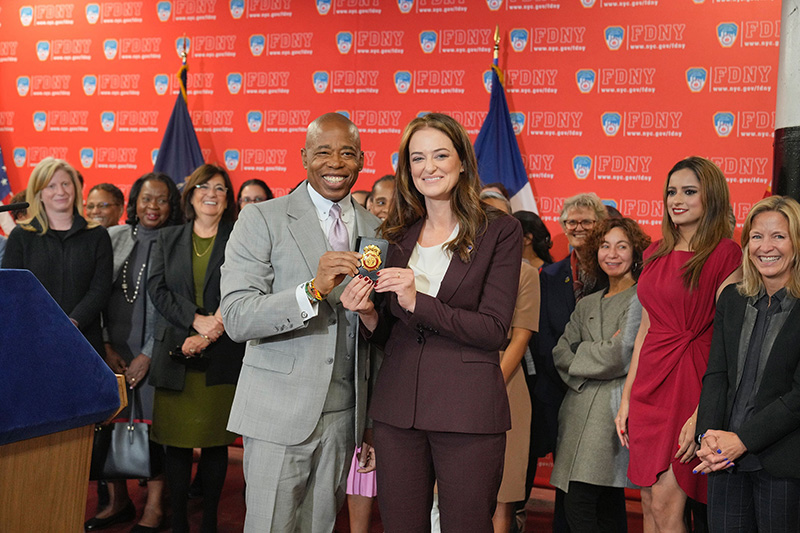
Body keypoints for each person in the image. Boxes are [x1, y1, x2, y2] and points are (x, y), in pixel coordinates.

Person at [341, 112, 522, 532]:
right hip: (397, 410)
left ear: (462, 162)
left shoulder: (500, 231)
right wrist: (368, 313)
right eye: (418, 158)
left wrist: (416, 299)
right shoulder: (395, 235)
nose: (429, 167)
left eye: (441, 155)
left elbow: (493, 329)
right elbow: (389, 333)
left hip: (467, 411)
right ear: (407, 169)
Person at [220, 112, 380, 532]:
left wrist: (372, 422)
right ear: (304, 157)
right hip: (277, 412)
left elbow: (379, 337)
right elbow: (237, 317)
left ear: (362, 160)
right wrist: (311, 290)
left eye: (347, 153)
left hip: (345, 416)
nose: (336, 163)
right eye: (323, 152)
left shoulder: (378, 230)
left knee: (320, 527)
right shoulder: (262, 219)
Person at [615, 156, 742, 532]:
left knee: (670, 504)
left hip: (691, 381)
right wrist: (626, 398)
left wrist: (702, 411)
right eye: (672, 191)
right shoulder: (654, 252)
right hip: (649, 386)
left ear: (712, 198)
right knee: (650, 502)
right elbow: (645, 331)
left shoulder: (725, 253)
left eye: (689, 191)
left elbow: (728, 340)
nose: (677, 199)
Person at [147, 164, 245, 533]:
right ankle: (177, 523)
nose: (211, 194)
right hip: (175, 352)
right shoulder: (167, 238)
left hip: (221, 353)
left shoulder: (238, 236)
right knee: (175, 443)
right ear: (189, 195)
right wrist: (194, 319)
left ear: (227, 199)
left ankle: (208, 522)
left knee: (216, 442)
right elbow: (157, 290)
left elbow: (245, 285)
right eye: (203, 186)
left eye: (220, 189)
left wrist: (211, 330)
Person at [84, 172, 182, 532]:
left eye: (161, 199)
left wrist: (148, 354)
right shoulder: (112, 237)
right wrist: (106, 344)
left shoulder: (176, 241)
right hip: (113, 347)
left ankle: (154, 508)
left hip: (153, 350)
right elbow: (95, 293)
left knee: (152, 429)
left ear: (172, 205)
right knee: (110, 424)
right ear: (134, 203)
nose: (152, 206)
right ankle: (118, 501)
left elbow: (175, 304)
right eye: (145, 198)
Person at [695, 196, 800, 532]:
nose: (765, 247)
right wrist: (708, 438)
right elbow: (716, 375)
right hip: (724, 461)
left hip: (784, 464)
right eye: (756, 236)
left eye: (778, 236)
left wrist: (742, 439)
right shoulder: (732, 298)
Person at [550, 217, 651, 532]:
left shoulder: (640, 299)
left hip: (611, 414)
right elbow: (559, 353)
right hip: (576, 413)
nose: (613, 254)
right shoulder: (587, 303)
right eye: (605, 246)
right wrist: (599, 355)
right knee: (602, 506)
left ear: (635, 253)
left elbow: (621, 354)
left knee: (584, 503)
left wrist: (586, 354)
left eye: (622, 246)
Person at [535, 192, 608, 532]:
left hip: (604, 395)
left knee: (600, 485)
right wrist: (572, 377)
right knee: (567, 483)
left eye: (586, 222)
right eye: (571, 222)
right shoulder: (548, 276)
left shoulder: (615, 273)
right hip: (559, 390)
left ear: (601, 225)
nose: (578, 228)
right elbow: (544, 339)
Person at [2, 157, 112, 358]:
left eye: (65, 184)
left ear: (75, 188)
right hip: (32, 340)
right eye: (51, 186)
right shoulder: (21, 236)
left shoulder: (97, 235)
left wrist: (74, 321)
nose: (60, 192)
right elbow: (13, 289)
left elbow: (100, 289)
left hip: (85, 341)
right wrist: (43, 323)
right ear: (39, 194)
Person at [480, 191, 540, 533]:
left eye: (501, 216)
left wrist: (487, 385)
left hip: (505, 383)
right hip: (454, 380)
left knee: (503, 495)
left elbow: (521, 337)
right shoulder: (454, 262)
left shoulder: (525, 273)